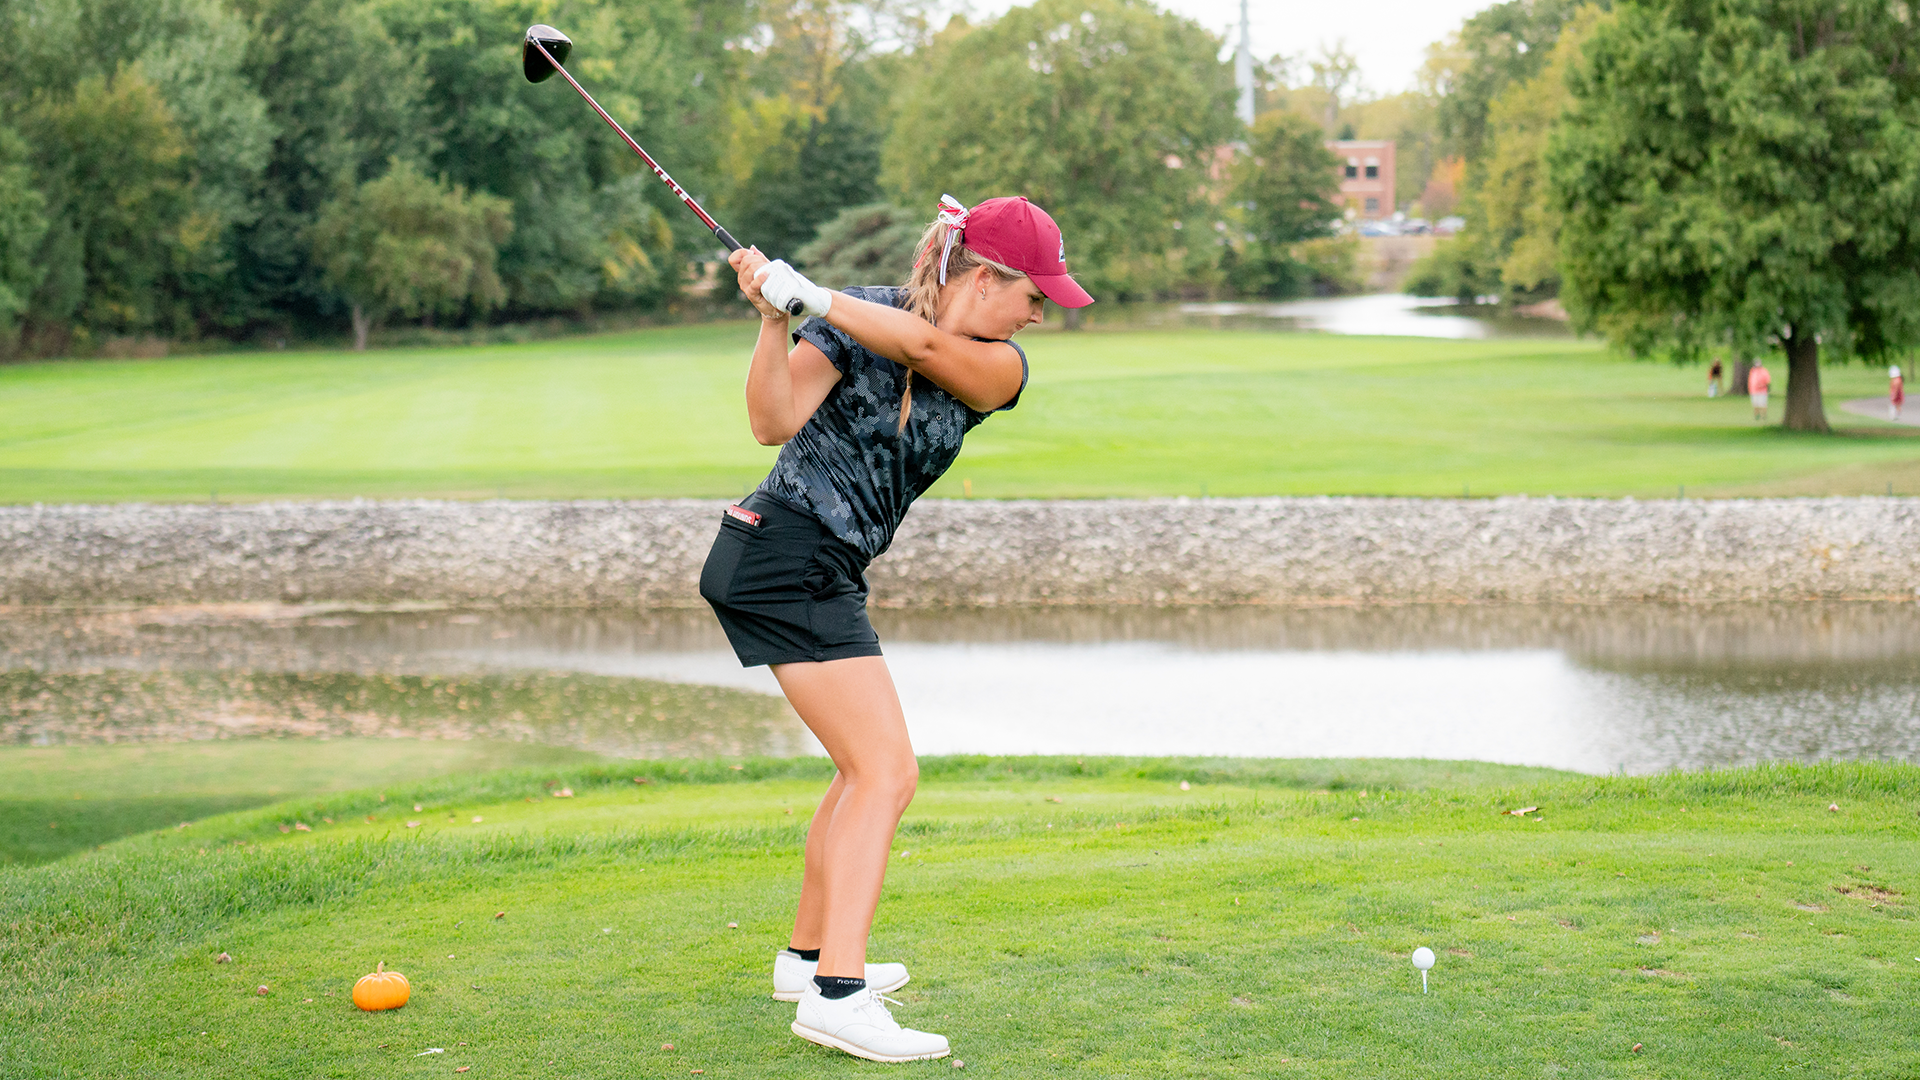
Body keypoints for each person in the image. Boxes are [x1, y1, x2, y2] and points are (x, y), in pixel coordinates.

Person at [699, 194, 1094, 1063]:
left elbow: (917, 346)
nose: (1041, 313)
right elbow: (772, 422)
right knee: (887, 772)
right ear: (985, 277)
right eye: (1034, 293)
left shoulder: (1000, 365)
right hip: (784, 555)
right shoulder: (854, 313)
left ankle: (805, 964)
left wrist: (811, 298)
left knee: (859, 772)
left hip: (810, 564)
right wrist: (775, 320)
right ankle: (838, 995)